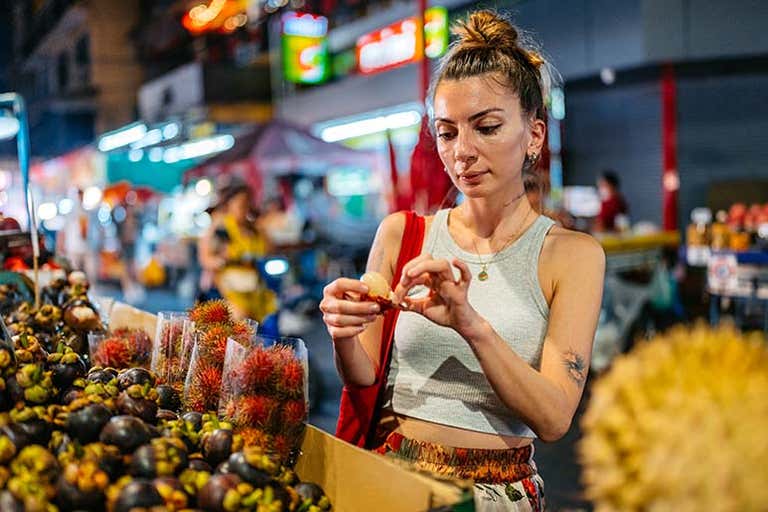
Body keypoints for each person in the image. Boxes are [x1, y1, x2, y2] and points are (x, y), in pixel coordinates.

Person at [320, 11, 605, 512]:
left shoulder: (572, 256)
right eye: (447, 133)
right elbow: (363, 377)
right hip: (393, 480)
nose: (462, 152)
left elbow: (555, 417)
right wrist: (343, 330)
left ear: (534, 136)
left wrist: (469, 324)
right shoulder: (403, 234)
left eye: (487, 127)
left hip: (496, 496)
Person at [197, 183, 277, 322]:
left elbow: (269, 250)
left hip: (255, 290)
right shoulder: (221, 228)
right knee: (240, 324)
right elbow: (205, 258)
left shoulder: (254, 229)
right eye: (241, 204)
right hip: (228, 291)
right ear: (229, 204)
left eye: (248, 203)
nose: (245, 208)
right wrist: (222, 260)